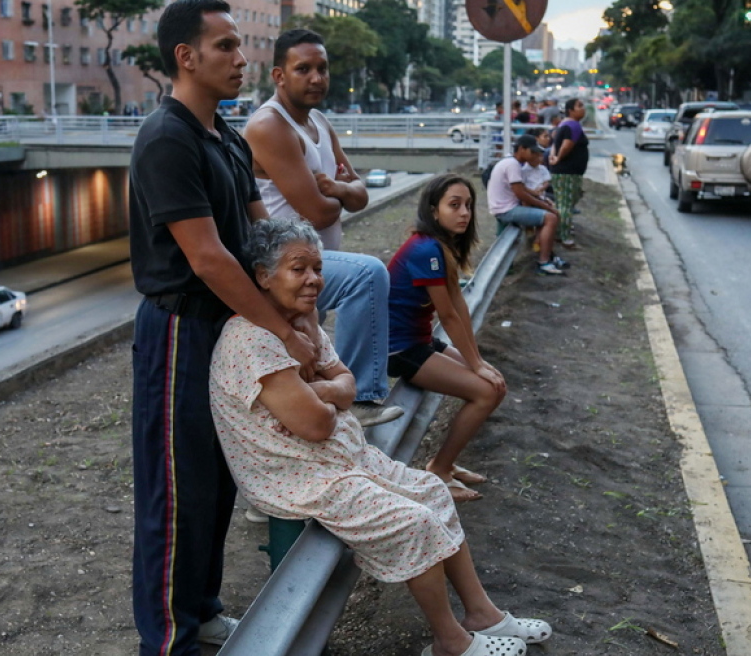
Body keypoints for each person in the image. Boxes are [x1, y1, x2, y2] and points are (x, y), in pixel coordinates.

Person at [210, 217, 553, 656]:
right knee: (413, 521)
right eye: (300, 269)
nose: (314, 278)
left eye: (317, 267)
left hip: (336, 458)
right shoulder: (251, 339)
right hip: (298, 475)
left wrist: (322, 391)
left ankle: (481, 613)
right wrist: (330, 397)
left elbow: (347, 384)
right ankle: (449, 641)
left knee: (432, 490)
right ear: (262, 275)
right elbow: (316, 424)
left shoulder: (300, 324)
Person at [127, 1, 319, 654]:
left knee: (219, 476)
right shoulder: (167, 139)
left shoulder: (227, 136)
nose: (243, 59)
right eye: (227, 46)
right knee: (176, 490)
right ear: (187, 56)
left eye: (241, 46)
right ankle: (169, 640)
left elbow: (262, 233)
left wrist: (299, 303)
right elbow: (207, 258)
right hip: (182, 330)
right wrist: (284, 333)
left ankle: (203, 609)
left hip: (233, 328)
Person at [243, 28, 402, 429]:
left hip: (313, 263)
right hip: (286, 270)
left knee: (310, 358)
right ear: (279, 76)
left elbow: (363, 192)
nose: (316, 78)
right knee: (367, 275)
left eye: (322, 68)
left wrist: (341, 189)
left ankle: (335, 404)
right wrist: (342, 193)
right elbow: (319, 213)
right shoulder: (269, 126)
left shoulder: (318, 120)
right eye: (304, 69)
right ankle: (362, 399)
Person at [388, 174, 508, 503]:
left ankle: (447, 464)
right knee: (485, 392)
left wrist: (479, 361)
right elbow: (448, 316)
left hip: (421, 340)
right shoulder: (425, 248)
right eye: (454, 205)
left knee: (496, 383)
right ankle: (438, 470)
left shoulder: (442, 246)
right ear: (433, 210)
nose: (464, 213)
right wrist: (475, 365)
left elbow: (459, 307)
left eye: (468, 205)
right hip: (399, 348)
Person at [488, 136, 565, 275]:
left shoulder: (509, 161)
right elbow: (521, 194)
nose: (536, 155)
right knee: (551, 218)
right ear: (522, 149)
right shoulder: (513, 165)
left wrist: (540, 199)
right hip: (506, 210)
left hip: (502, 207)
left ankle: (541, 249)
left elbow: (522, 188)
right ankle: (544, 262)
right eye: (532, 152)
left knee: (544, 212)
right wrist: (547, 207)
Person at [548, 98, 589, 249]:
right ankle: (564, 237)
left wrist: (554, 156)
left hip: (566, 171)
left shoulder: (564, 124)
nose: (583, 108)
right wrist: (558, 157)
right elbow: (566, 145)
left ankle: (560, 231)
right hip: (567, 172)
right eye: (580, 106)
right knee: (565, 205)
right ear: (570, 110)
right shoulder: (573, 125)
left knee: (564, 202)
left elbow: (555, 143)